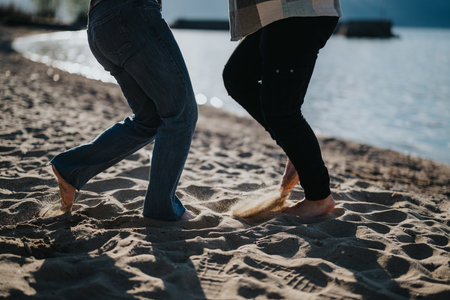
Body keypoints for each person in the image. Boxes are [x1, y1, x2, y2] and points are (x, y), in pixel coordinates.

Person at [50, 0, 197, 221]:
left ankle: (71, 169)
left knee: (150, 120)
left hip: (101, 24)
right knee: (181, 113)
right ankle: (161, 208)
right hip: (131, 15)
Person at [223, 0, 342, 217]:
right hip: (277, 11)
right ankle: (298, 153)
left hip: (298, 9)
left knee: (282, 111)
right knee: (237, 78)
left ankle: (319, 197)